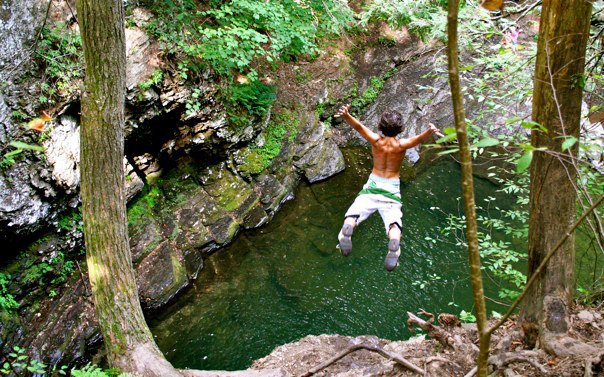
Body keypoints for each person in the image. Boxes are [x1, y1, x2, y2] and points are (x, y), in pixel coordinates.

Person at [335, 104, 440, 271]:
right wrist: (430, 131)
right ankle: (394, 241)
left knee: (355, 211)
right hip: (391, 189)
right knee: (393, 221)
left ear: (380, 127)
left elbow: (358, 127)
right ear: (400, 129)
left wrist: (346, 115)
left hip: (373, 185)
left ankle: (349, 226)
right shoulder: (401, 145)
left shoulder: (375, 140)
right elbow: (419, 139)